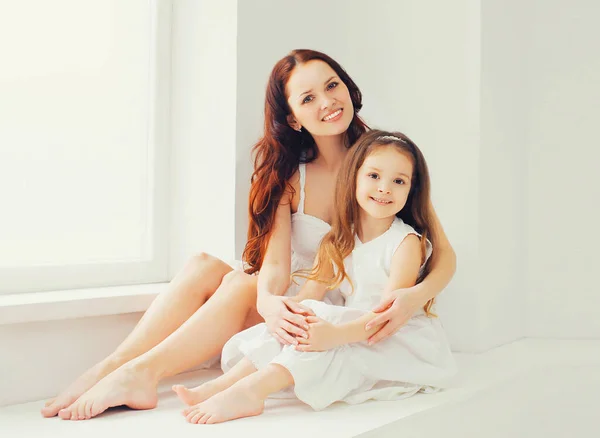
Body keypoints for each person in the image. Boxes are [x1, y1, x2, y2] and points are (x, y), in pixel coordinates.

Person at [46, 49, 456, 421]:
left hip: (333, 305)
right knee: (207, 266)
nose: (328, 102)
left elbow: (440, 251)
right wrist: (270, 302)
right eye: (308, 97)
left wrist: (413, 298)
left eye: (332, 86)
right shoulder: (288, 173)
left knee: (241, 282)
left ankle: (141, 373)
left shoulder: (381, 163)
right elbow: (275, 266)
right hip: (292, 300)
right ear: (293, 116)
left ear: (348, 88)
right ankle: (112, 368)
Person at [173, 130, 456, 424]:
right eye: (374, 176)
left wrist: (333, 335)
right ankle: (223, 384)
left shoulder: (405, 243)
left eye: (399, 181)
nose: (384, 188)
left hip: (393, 339)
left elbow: (387, 318)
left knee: (326, 332)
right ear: (354, 178)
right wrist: (288, 317)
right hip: (353, 327)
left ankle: (252, 391)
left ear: (411, 190)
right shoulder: (338, 239)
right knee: (304, 314)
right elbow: (308, 296)